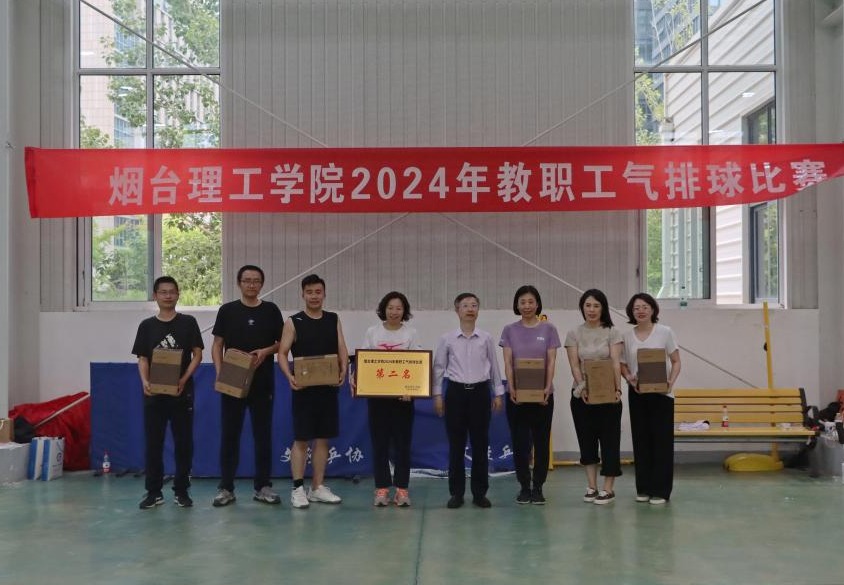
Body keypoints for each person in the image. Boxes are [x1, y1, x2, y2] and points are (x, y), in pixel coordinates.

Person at [211, 265, 284, 507]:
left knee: (263, 435)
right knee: (229, 435)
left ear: (261, 284)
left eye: (256, 280)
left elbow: (282, 343)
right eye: (247, 280)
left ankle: (263, 487)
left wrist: (266, 351)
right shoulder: (227, 310)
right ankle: (226, 488)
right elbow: (217, 345)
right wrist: (220, 373)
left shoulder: (271, 310)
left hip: (262, 382)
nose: (251, 284)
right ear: (239, 283)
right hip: (232, 380)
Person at [278, 274, 349, 509]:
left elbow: (341, 348)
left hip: (327, 389)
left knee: (322, 439)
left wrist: (343, 370)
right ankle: (298, 488)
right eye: (309, 292)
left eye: (318, 292)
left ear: (324, 294)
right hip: (304, 390)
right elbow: (282, 353)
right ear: (303, 295)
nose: (314, 296)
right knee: (301, 439)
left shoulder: (333, 319)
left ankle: (317, 487)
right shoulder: (293, 322)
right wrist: (289, 376)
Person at [132, 276, 204, 509]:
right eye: (163, 292)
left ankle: (181, 491)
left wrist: (183, 379)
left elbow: (198, 355)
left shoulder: (188, 323)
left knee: (184, 444)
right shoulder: (146, 326)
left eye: (172, 292)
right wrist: (145, 381)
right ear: (155, 296)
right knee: (154, 444)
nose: (168, 296)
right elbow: (143, 358)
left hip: (181, 393)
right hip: (154, 395)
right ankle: (154, 492)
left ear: (178, 294)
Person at [433, 292, 505, 509]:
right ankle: (456, 493)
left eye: (474, 305)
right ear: (457, 310)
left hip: (480, 393)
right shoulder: (447, 339)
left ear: (478, 311)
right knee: (456, 445)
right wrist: (437, 395)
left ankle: (479, 493)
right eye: (465, 305)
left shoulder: (486, 338)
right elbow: (439, 368)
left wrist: (498, 393)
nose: (470, 309)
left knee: (480, 444)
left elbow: (494, 367)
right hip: (455, 393)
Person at [351, 291, 421, 507]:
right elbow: (364, 361)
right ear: (384, 309)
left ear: (404, 311)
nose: (394, 312)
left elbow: (417, 365)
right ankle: (381, 489)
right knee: (379, 443)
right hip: (378, 398)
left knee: (402, 445)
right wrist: (356, 377)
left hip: (403, 399)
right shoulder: (373, 332)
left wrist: (412, 390)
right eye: (390, 308)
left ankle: (402, 489)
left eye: (399, 308)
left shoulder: (411, 333)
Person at [499, 285, 560, 505]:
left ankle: (538, 487)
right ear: (517, 305)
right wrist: (512, 387)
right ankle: (524, 487)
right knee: (520, 443)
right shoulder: (509, 330)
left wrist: (547, 387)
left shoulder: (549, 329)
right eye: (522, 302)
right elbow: (508, 362)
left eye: (531, 302)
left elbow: (551, 361)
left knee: (541, 442)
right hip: (516, 396)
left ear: (537, 304)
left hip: (543, 396)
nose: (527, 306)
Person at [620, 293, 681, 505]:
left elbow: (676, 361)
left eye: (645, 306)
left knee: (661, 442)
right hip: (637, 393)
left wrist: (670, 382)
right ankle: (644, 488)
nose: (641, 311)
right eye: (636, 308)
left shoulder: (665, 332)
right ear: (631, 312)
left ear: (653, 309)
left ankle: (661, 490)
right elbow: (623, 364)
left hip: (662, 395)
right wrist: (629, 378)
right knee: (641, 440)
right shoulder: (627, 336)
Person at [564, 288, 623, 505]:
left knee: (610, 441)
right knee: (586, 440)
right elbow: (574, 365)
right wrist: (583, 389)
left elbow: (615, 362)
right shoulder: (574, 333)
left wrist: (617, 389)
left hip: (608, 396)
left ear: (603, 308)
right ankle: (591, 486)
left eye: (596, 305)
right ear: (582, 308)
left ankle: (608, 488)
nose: (591, 309)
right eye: (588, 305)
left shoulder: (612, 332)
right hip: (582, 396)